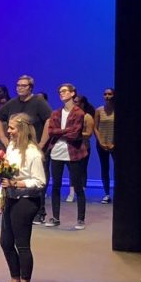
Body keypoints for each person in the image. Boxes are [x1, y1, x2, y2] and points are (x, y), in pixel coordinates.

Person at [0, 113, 46, 282]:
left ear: (22, 129)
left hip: (26, 201)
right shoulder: (11, 147)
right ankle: (14, 281)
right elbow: (5, 176)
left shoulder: (33, 152)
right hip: (11, 198)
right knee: (5, 241)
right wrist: (1, 199)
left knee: (21, 244)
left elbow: (40, 181)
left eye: (12, 128)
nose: (8, 131)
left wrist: (18, 184)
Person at [0, 75, 52, 223]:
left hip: (32, 148)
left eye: (23, 85)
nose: (20, 87)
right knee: (12, 177)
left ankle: (39, 212)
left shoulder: (38, 102)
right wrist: (4, 140)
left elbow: (50, 120)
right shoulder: (13, 103)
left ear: (30, 87)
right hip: (16, 149)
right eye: (18, 85)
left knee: (36, 179)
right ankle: (10, 206)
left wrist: (42, 143)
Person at [43, 84, 87, 230]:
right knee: (56, 185)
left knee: (78, 186)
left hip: (73, 153)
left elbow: (75, 135)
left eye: (64, 91)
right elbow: (51, 131)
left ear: (72, 93)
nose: (61, 94)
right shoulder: (55, 113)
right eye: (60, 91)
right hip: (57, 152)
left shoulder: (79, 113)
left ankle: (80, 219)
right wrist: (65, 131)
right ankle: (55, 217)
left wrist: (60, 131)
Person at [68, 94, 95, 203]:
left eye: (77, 102)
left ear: (82, 104)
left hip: (84, 146)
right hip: (72, 146)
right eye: (74, 102)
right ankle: (71, 192)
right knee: (72, 170)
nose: (74, 104)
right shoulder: (70, 115)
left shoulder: (87, 116)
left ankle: (82, 191)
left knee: (82, 169)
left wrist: (75, 134)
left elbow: (88, 133)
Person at [94, 88, 116, 203]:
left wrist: (114, 143)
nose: (107, 96)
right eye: (105, 94)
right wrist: (101, 141)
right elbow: (95, 127)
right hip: (102, 144)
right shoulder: (99, 110)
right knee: (104, 168)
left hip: (114, 144)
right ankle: (106, 194)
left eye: (110, 94)